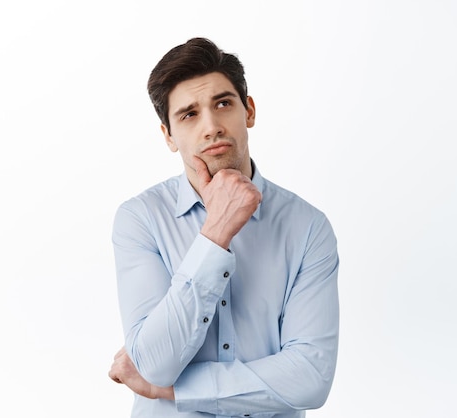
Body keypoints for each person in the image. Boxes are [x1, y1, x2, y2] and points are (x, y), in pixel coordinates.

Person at [108, 37, 340, 418]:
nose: (212, 126)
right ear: (168, 135)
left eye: (223, 104)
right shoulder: (140, 219)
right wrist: (216, 232)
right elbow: (155, 363)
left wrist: (170, 391)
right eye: (189, 114)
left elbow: (311, 377)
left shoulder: (307, 227)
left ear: (248, 110)